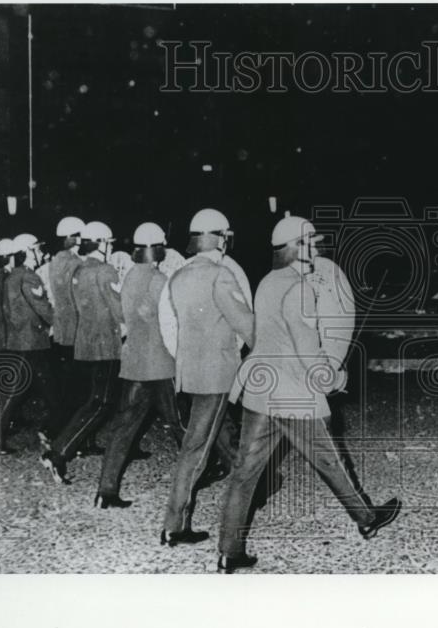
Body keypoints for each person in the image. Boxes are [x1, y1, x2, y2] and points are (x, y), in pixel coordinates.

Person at [217, 216, 401, 574]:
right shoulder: (299, 288)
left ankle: (228, 550)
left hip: (260, 389)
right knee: (329, 461)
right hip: (292, 395)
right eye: (309, 242)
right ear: (296, 247)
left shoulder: (268, 281)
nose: (315, 248)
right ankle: (366, 518)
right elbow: (306, 347)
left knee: (243, 473)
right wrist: (333, 376)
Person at [157, 208, 255, 548]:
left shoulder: (178, 276)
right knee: (196, 450)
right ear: (219, 238)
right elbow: (247, 325)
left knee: (202, 443)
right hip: (217, 374)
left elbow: (170, 326)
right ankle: (176, 526)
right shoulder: (221, 274)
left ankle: (251, 492)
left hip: (189, 373)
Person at [94, 222, 181, 509]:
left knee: (123, 428)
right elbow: (170, 323)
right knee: (182, 426)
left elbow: (123, 314)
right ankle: (216, 473)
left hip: (134, 363)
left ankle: (105, 491)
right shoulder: (158, 280)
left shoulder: (130, 276)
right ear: (157, 248)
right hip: (160, 365)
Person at [41, 221, 124, 484]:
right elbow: (118, 310)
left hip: (86, 342)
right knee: (101, 403)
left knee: (93, 400)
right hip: (105, 345)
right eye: (108, 243)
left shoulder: (79, 269)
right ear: (101, 244)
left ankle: (60, 446)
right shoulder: (105, 270)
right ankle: (59, 452)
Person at [0, 234, 66, 454]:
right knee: (19, 392)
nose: (40, 253)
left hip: (22, 340)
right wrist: (63, 322)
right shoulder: (29, 277)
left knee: (50, 390)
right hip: (31, 342)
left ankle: (55, 432)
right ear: (28, 252)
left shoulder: (12, 276)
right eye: (36, 249)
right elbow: (43, 308)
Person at [46, 216, 86, 416]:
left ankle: (58, 422)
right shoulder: (76, 263)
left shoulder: (54, 261)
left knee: (64, 379)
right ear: (75, 239)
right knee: (78, 385)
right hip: (76, 327)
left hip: (61, 327)